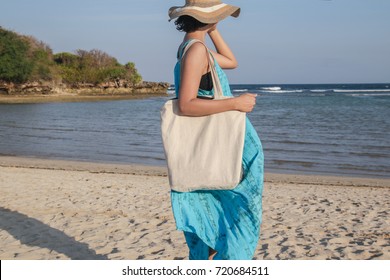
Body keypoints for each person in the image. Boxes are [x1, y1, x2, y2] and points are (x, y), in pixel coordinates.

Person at [168, 0, 264, 260]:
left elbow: (232, 61)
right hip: (229, 143)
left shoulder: (191, 47)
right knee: (242, 211)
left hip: (216, 142)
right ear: (209, 18)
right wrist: (236, 102)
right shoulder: (196, 51)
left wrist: (212, 28)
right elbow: (186, 104)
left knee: (219, 205)